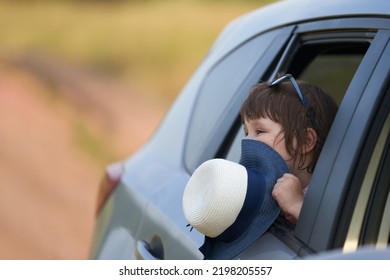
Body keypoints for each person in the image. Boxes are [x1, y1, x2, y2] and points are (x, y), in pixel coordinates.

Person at [240, 74, 338, 225]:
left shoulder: (331, 198)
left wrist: (297, 207)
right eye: (246, 133)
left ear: (305, 141)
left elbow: (337, 241)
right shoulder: (258, 187)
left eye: (260, 131)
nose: (246, 141)